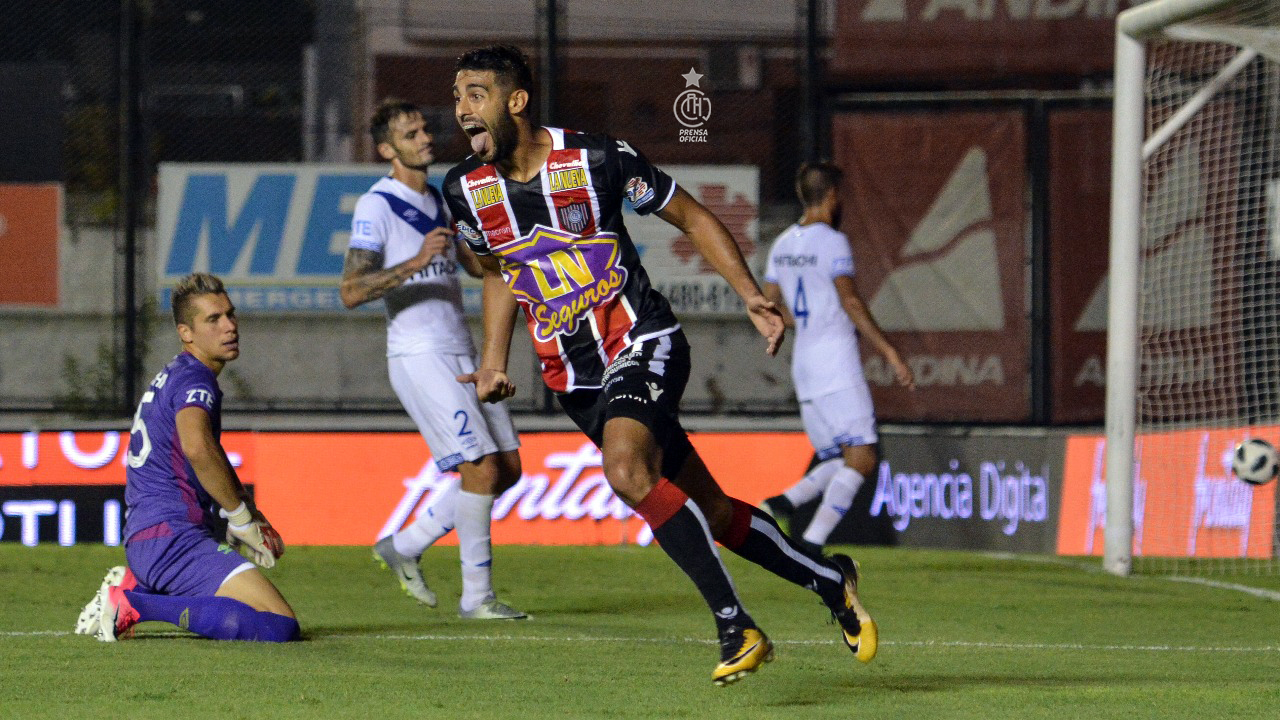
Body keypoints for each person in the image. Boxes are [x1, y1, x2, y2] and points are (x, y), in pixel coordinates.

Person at [442, 45, 877, 685]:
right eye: (456, 97)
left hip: (643, 341)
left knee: (625, 469)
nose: (461, 110)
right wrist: (491, 361)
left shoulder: (597, 159)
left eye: (474, 94)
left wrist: (751, 294)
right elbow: (501, 271)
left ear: (516, 101)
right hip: (574, 379)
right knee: (715, 512)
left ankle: (737, 627)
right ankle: (828, 577)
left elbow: (693, 216)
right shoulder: (464, 190)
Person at [340, 98, 526, 620]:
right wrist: (416, 260)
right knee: (482, 470)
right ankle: (477, 598)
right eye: (410, 133)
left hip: (463, 350)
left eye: (424, 128)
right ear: (386, 149)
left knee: (508, 468)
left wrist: (489, 244)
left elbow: (471, 267)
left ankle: (404, 545)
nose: (425, 137)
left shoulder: (441, 200)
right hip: (418, 354)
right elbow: (351, 290)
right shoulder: (377, 204)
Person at [74, 272, 298, 642]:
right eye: (213, 319)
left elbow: (206, 455)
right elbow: (197, 449)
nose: (229, 326)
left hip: (158, 535)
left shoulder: (178, 374)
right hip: (173, 539)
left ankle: (139, 587)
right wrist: (240, 518)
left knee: (261, 616)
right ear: (186, 333)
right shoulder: (196, 381)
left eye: (230, 314)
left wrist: (244, 514)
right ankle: (134, 604)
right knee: (279, 624)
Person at [760, 162, 916, 553]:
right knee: (862, 458)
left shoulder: (782, 244)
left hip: (805, 365)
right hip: (836, 362)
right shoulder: (832, 242)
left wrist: (800, 323)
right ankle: (812, 541)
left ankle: (780, 504)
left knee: (835, 457)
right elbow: (849, 299)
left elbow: (769, 304)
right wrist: (889, 351)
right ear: (831, 196)